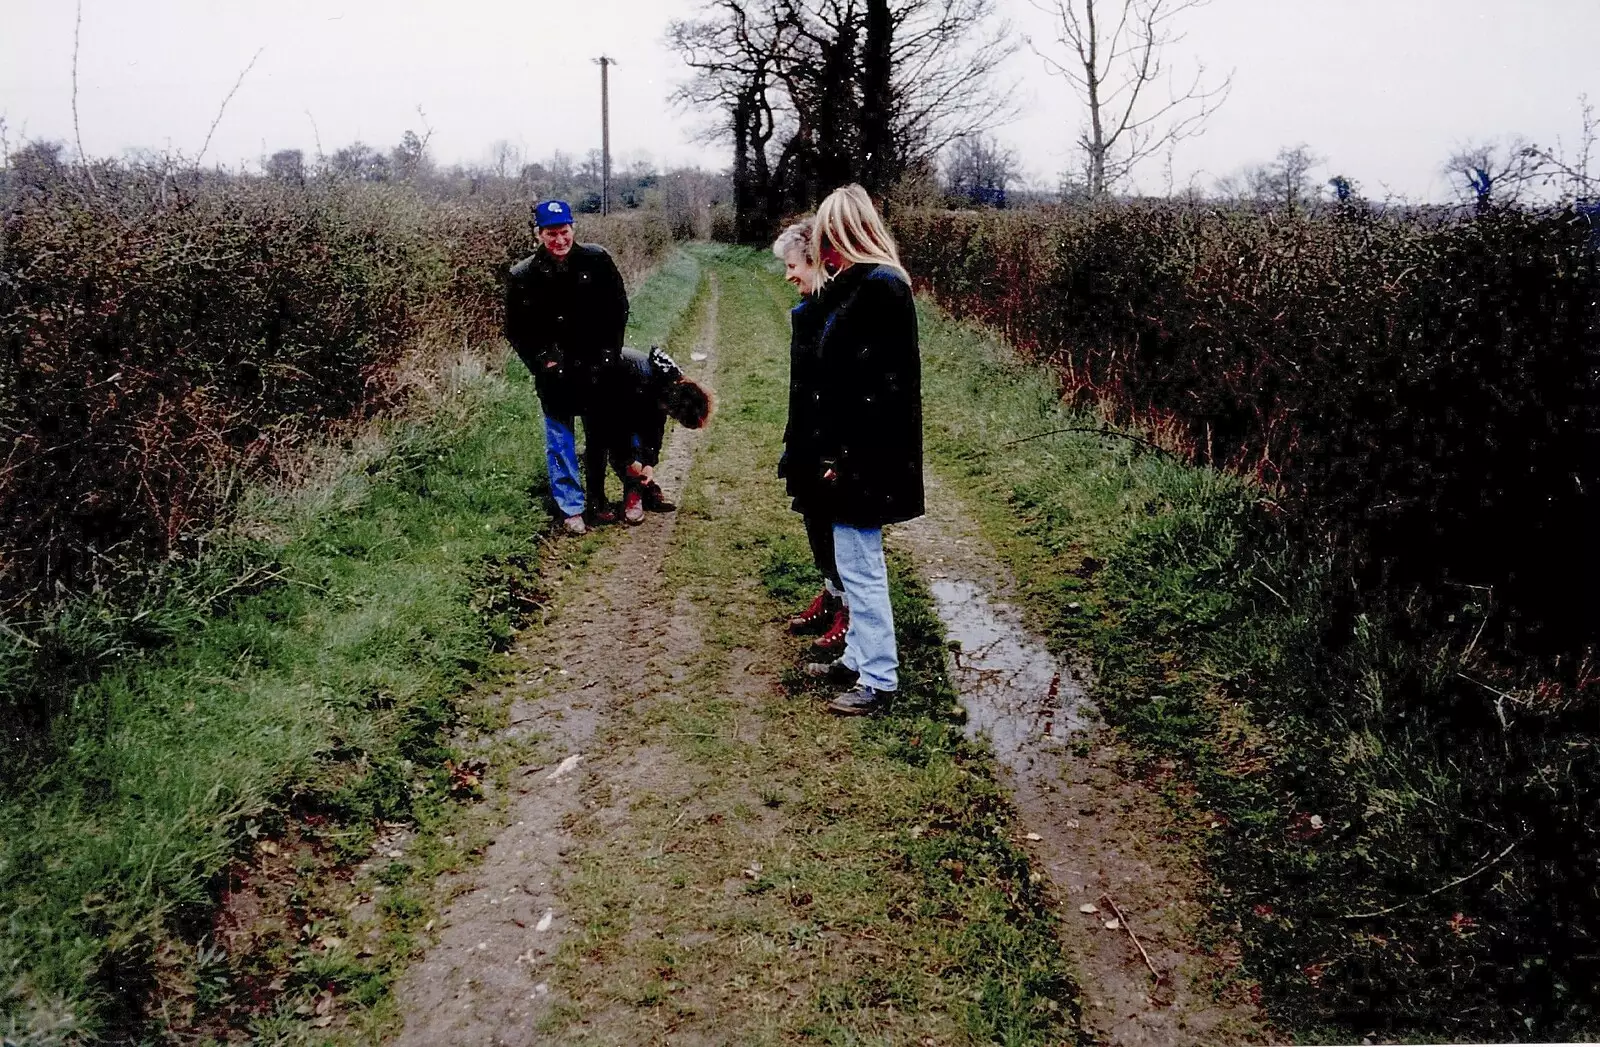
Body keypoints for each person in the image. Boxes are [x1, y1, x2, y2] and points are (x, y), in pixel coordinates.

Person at [797, 185, 924, 716]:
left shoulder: (882, 287)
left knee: (862, 566)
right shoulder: (856, 285)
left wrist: (848, 458)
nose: (821, 248)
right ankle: (858, 657)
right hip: (849, 452)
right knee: (851, 563)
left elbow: (883, 389)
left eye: (826, 235)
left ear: (840, 233)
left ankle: (879, 678)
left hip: (867, 456)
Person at [504, 199, 630, 535]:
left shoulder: (598, 260)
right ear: (538, 234)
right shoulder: (522, 274)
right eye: (551, 233)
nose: (559, 240)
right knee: (560, 441)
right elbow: (515, 330)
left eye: (564, 232)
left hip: (597, 366)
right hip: (554, 373)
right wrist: (540, 362)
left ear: (573, 229)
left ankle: (598, 500)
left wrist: (610, 354)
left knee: (599, 435)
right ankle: (570, 507)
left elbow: (619, 309)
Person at [773, 219, 849, 655]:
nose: (789, 275)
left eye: (793, 265)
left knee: (835, 524)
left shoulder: (842, 312)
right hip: (805, 433)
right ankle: (831, 594)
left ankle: (849, 610)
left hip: (831, 438)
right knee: (812, 518)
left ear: (818, 260)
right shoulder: (805, 314)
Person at [588, 345, 713, 524]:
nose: (671, 416)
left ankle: (640, 491)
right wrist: (632, 461)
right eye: (675, 415)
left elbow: (655, 431)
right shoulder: (645, 378)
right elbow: (619, 424)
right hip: (600, 385)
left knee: (636, 448)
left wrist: (648, 463)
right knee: (605, 443)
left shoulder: (667, 387)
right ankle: (604, 501)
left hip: (618, 392)